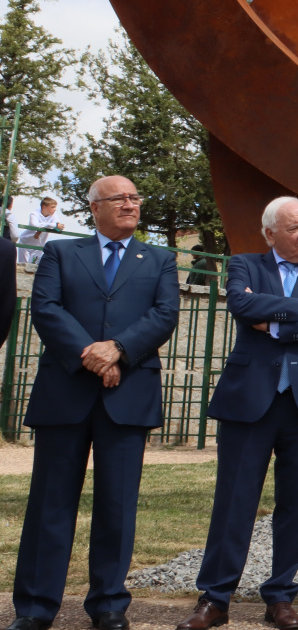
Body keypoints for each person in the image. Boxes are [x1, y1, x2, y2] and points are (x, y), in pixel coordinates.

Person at [8, 176, 179, 630]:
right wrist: (93, 355)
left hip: (128, 394)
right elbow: (46, 308)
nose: (130, 204)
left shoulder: (160, 258)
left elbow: (164, 315)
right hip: (65, 393)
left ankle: (108, 605)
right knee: (50, 503)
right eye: (119, 198)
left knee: (117, 504)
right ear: (95, 208)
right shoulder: (62, 252)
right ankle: (34, 608)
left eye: (135, 197)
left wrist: (118, 349)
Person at [176, 197, 298, 630]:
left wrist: (270, 318)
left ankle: (280, 597)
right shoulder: (244, 265)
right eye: (295, 228)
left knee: (296, 504)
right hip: (249, 400)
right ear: (270, 234)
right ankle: (215, 599)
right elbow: (240, 305)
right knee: (234, 500)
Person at [18, 196, 64, 265]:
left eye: (55, 207)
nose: (55, 209)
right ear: (44, 207)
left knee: (35, 266)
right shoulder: (34, 214)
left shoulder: (54, 215)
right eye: (52, 207)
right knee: (22, 265)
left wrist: (52, 225)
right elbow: (35, 225)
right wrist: (52, 225)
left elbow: (57, 224)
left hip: (39, 245)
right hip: (25, 242)